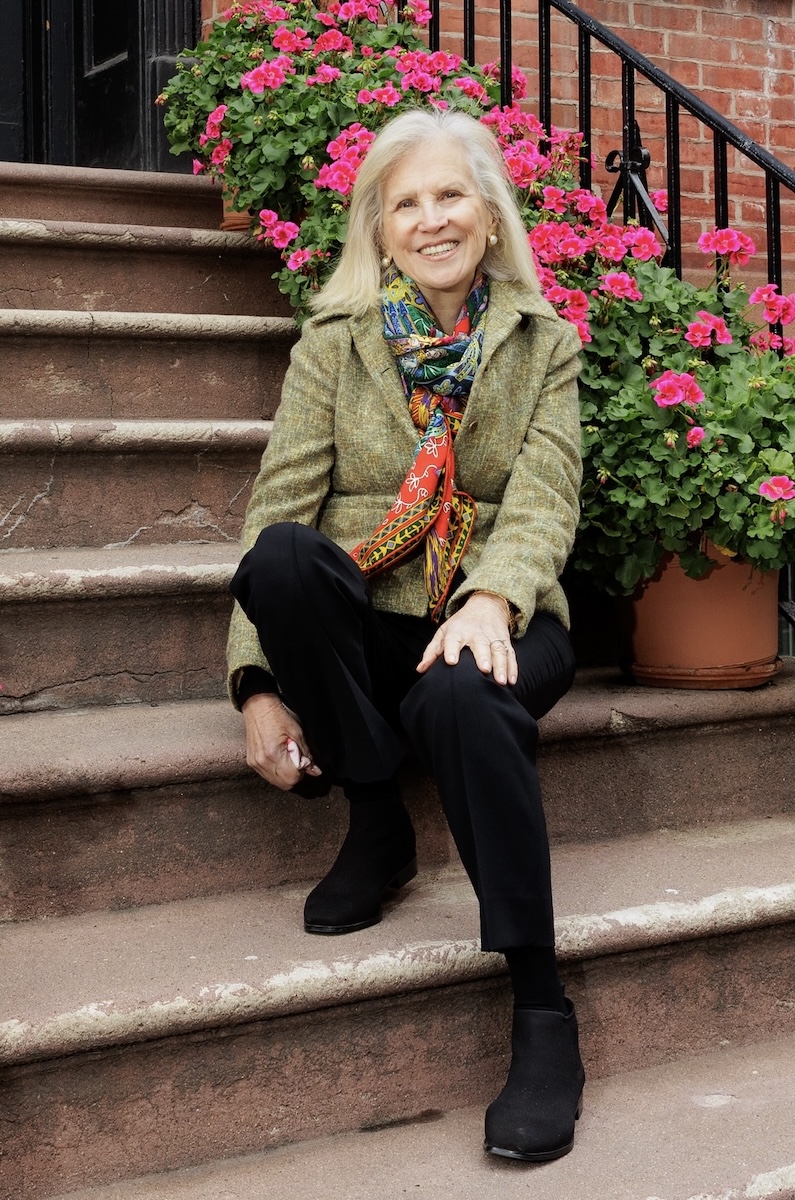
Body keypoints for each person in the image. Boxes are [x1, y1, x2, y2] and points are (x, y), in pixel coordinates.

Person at [227, 107, 584, 1162]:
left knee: (464, 694)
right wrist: (255, 683)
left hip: (499, 619)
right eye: (407, 202)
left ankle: (543, 1015)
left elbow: (545, 499)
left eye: (450, 195)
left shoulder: (543, 343)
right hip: (371, 618)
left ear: (487, 211)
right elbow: (276, 507)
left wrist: (490, 599)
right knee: (285, 561)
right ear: (378, 230)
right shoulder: (330, 346)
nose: (432, 219)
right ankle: (377, 819)